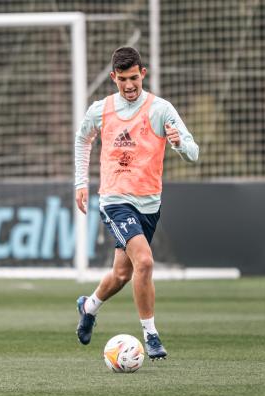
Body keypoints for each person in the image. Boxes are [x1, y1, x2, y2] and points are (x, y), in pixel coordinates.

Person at [74, 46, 199, 359]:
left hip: (149, 204)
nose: (129, 86)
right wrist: (80, 183)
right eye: (122, 80)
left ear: (143, 74)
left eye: (134, 78)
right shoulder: (100, 110)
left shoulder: (161, 109)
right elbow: (82, 140)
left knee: (122, 274)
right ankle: (152, 335)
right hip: (114, 199)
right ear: (113, 78)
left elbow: (194, 153)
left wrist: (179, 144)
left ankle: (88, 307)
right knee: (144, 261)